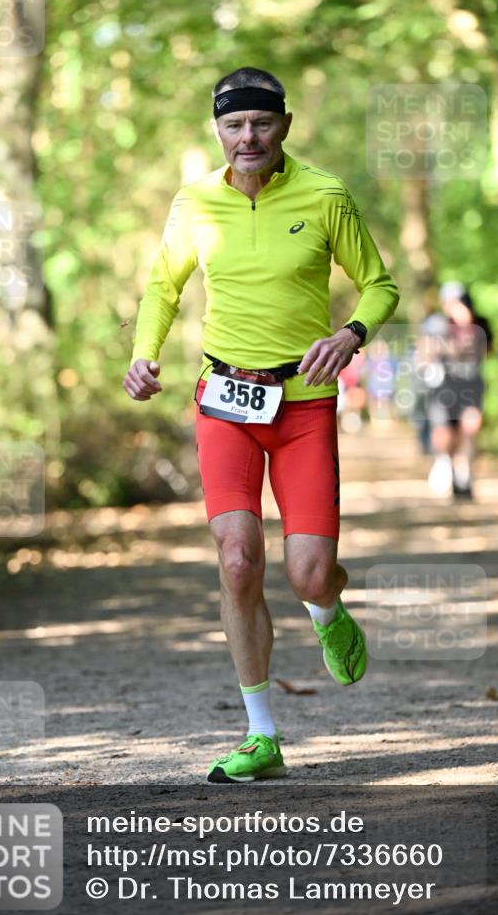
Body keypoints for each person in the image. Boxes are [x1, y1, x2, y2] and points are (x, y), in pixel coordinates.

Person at [123, 67, 399, 783]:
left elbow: (379, 281)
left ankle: (328, 607)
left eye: (261, 123)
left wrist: (353, 332)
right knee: (238, 560)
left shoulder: (324, 194)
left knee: (307, 573)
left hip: (303, 402)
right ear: (217, 130)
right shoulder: (194, 203)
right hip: (225, 401)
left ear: (284, 125)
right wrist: (142, 356)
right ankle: (261, 735)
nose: (248, 136)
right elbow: (163, 285)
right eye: (233, 124)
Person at [423, 281, 491, 499]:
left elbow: (483, 349)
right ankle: (446, 466)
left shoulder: (480, 324)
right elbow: (425, 353)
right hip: (445, 388)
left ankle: (466, 475)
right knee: (446, 434)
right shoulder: (436, 325)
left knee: (470, 430)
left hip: (471, 386)